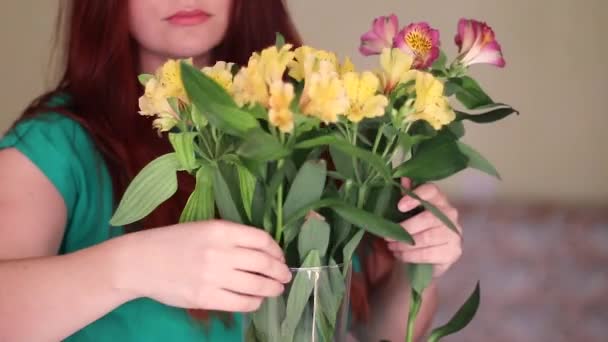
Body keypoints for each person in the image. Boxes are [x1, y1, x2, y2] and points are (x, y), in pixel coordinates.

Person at [0, 1, 463, 341]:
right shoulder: (55, 144)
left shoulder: (325, 129)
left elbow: (378, 331)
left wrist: (418, 263)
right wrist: (132, 267)